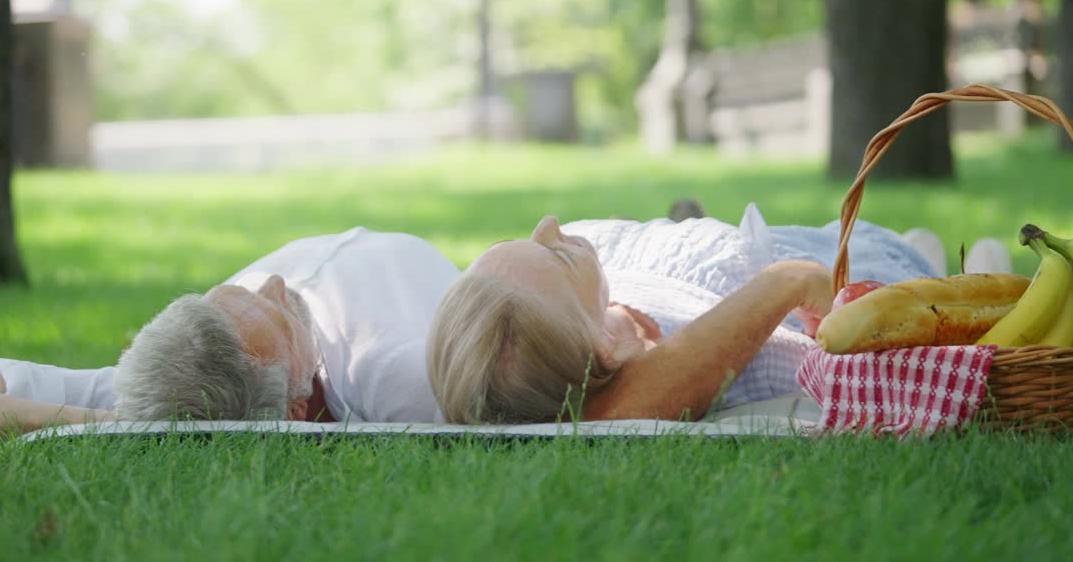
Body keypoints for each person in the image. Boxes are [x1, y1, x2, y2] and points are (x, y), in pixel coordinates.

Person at [426, 203, 1011, 425]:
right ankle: (940, 253)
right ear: (606, 353)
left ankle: (928, 246)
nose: (551, 222)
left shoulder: (566, 333)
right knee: (919, 258)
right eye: (553, 252)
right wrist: (785, 283)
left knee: (912, 243)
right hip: (844, 256)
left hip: (761, 238)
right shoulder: (637, 372)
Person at [0, 228, 459, 436]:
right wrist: (129, 428)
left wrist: (120, 425)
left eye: (245, 289)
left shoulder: (154, 386)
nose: (277, 284)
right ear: (295, 411)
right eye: (281, 315)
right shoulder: (392, 374)